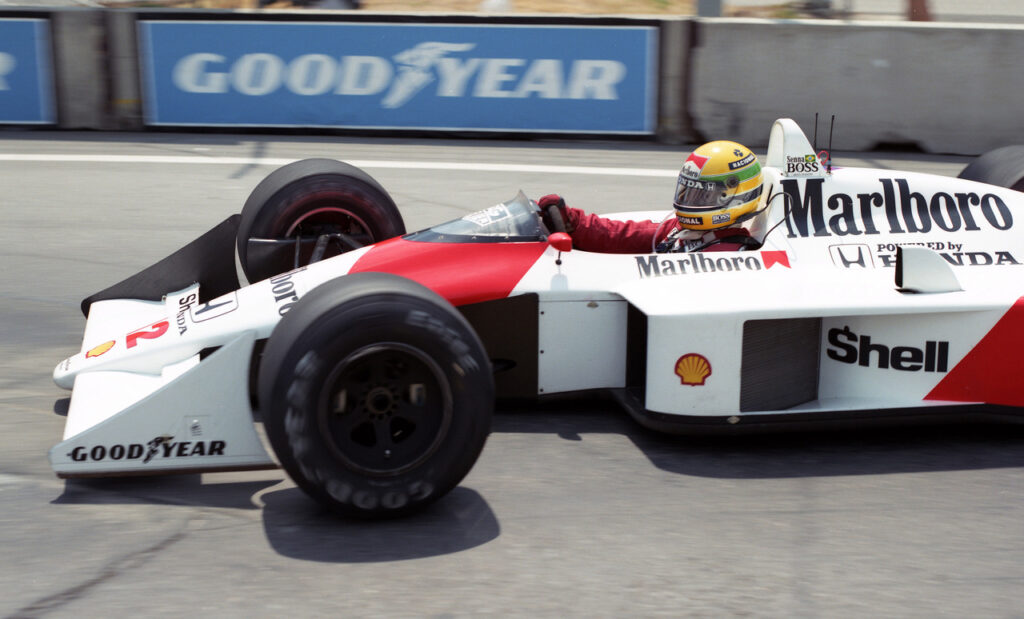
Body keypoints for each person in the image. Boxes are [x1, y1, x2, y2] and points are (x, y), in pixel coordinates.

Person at [539, 140, 766, 254]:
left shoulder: (731, 253)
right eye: (689, 190)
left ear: (736, 196)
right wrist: (574, 223)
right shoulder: (679, 229)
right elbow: (621, 235)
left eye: (704, 194)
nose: (691, 200)